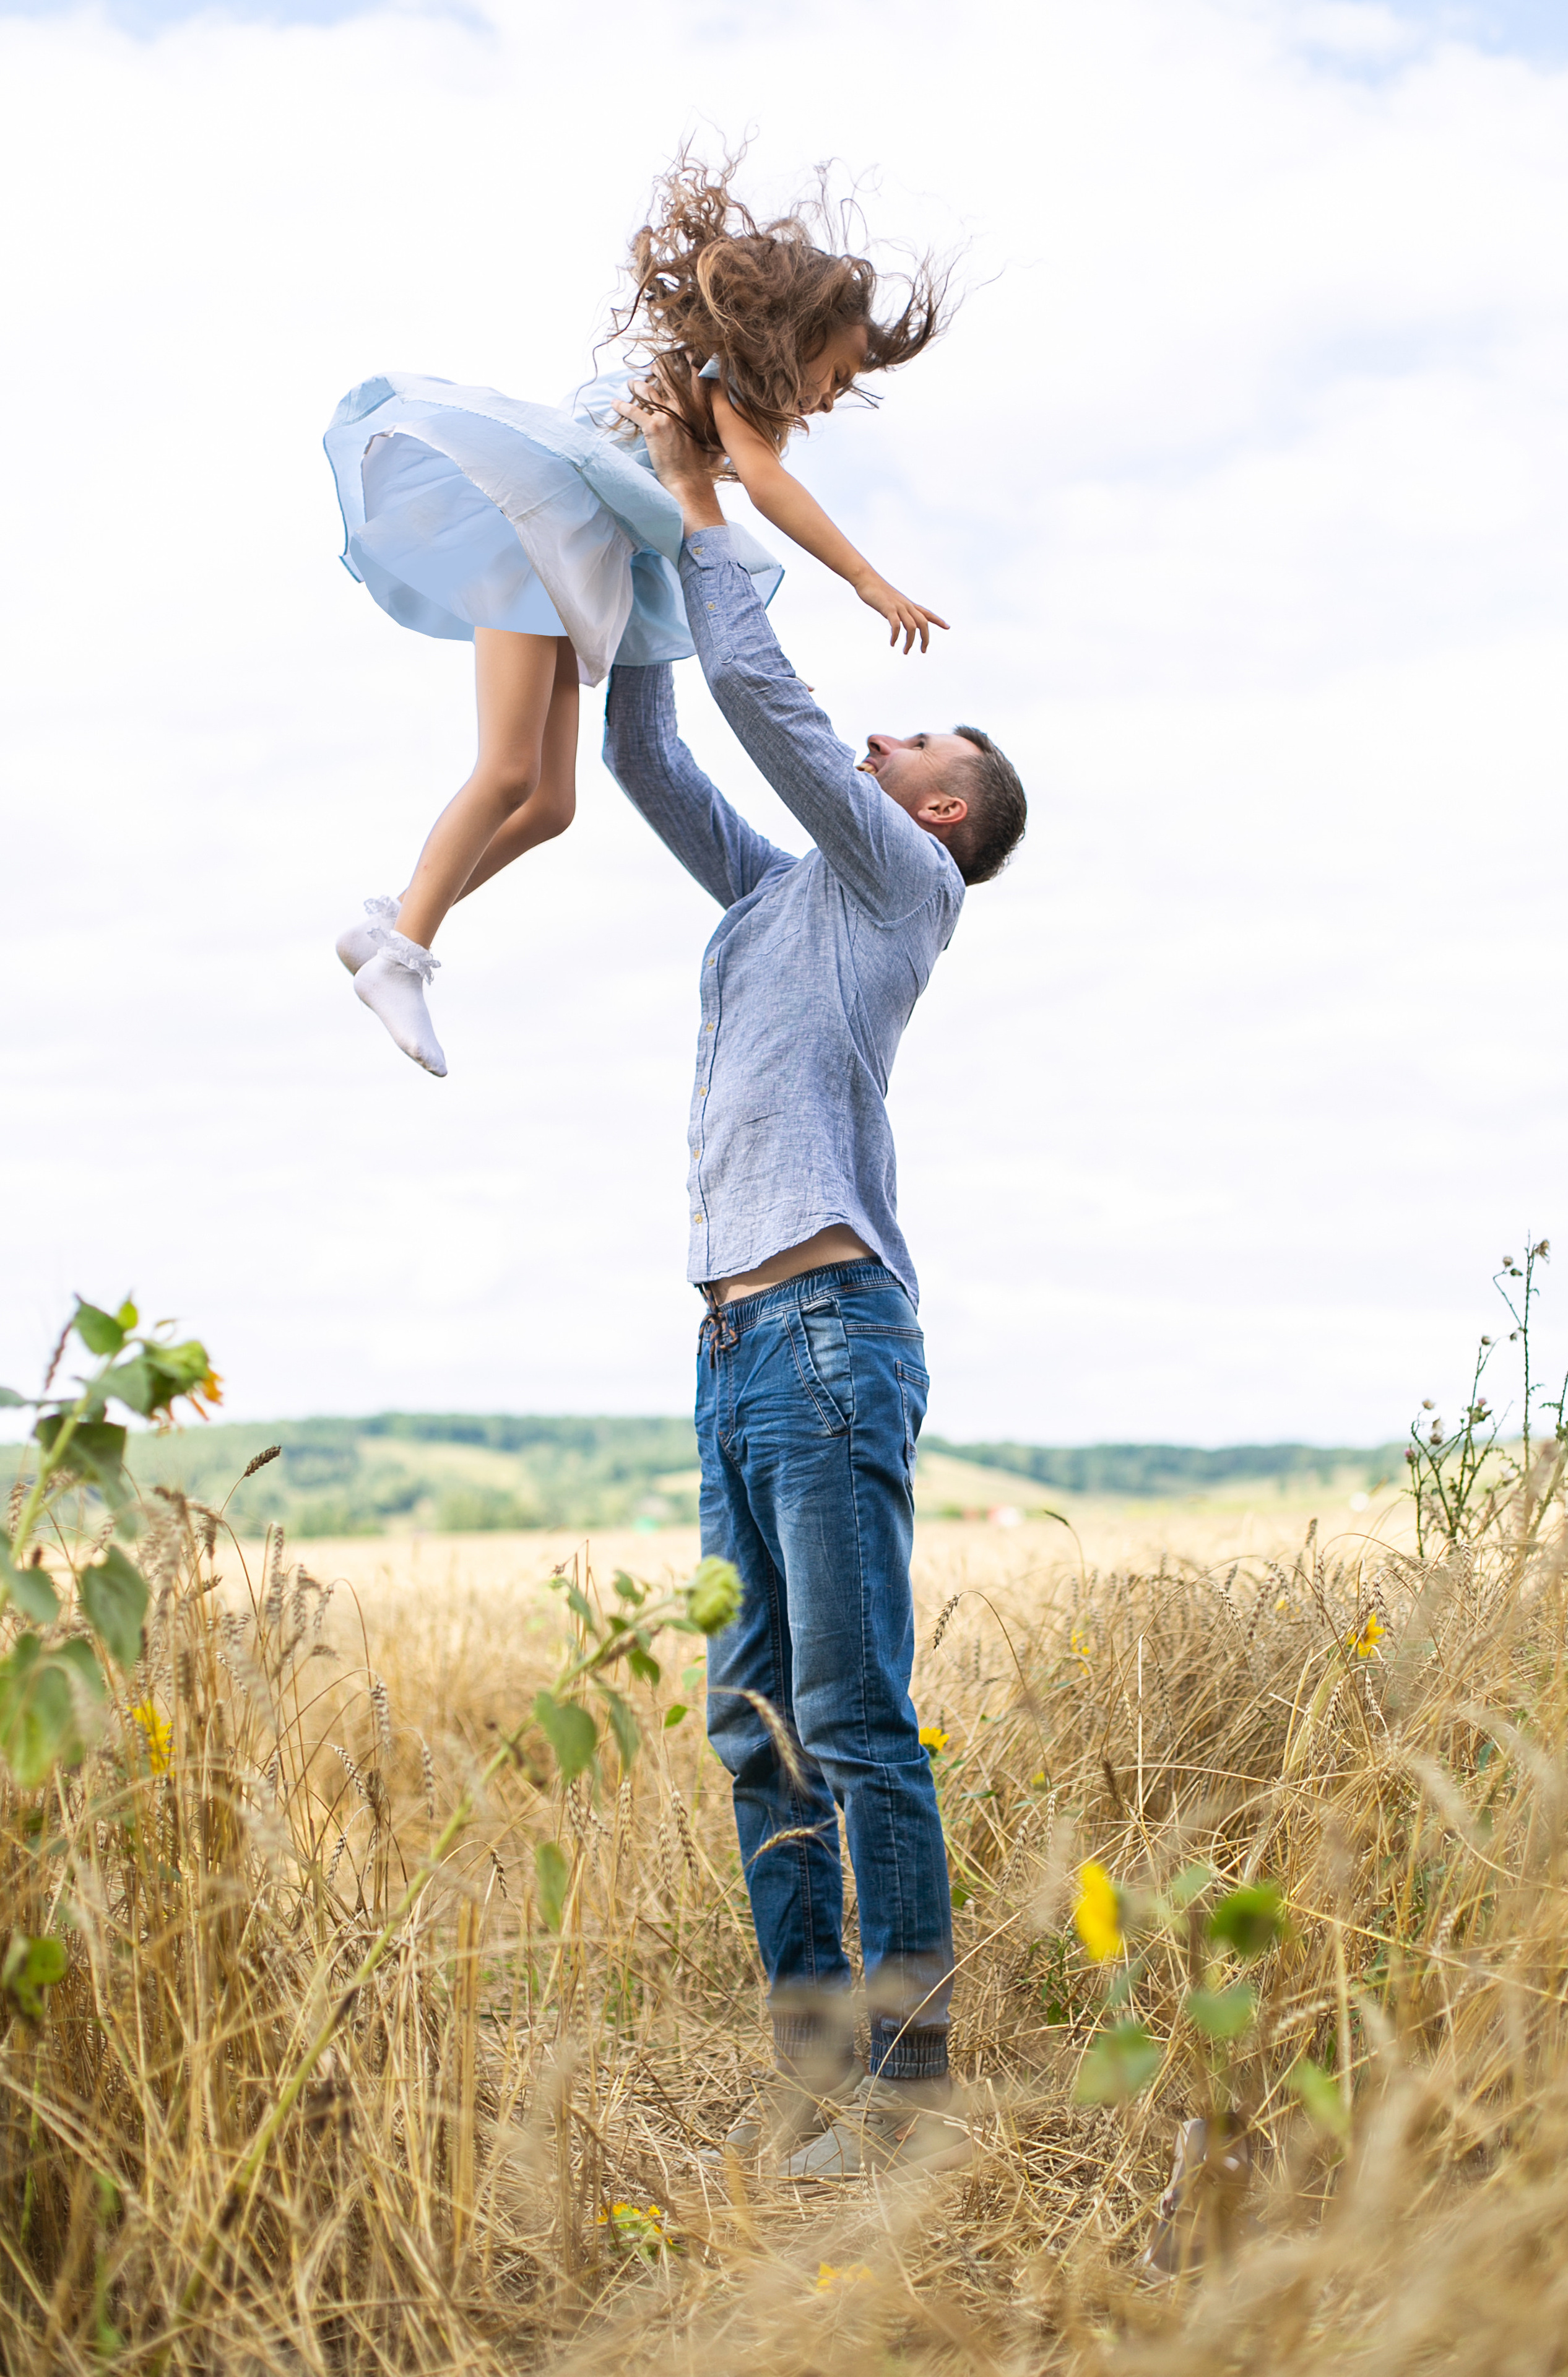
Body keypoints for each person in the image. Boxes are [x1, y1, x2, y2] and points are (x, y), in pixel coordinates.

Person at [602, 381, 1027, 2181]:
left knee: (852, 1719)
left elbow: (765, 703)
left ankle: (906, 2096)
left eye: (920, 742)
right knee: (754, 1722)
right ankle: (815, 2071)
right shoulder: (782, 895)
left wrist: (707, 515)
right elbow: (652, 757)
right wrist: (621, 566)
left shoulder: (895, 888)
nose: (889, 738)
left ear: (941, 815)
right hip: (731, 1350)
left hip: (835, 1337)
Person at [321, 154, 950, 1078]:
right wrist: (864, 577)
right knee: (505, 771)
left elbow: (682, 529)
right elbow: (764, 490)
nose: (832, 396)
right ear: (799, 331)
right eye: (838, 371)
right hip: (535, 531)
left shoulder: (721, 408)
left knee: (551, 804)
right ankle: (400, 953)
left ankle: (393, 919)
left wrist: (762, 653)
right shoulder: (723, 382)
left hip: (571, 553)